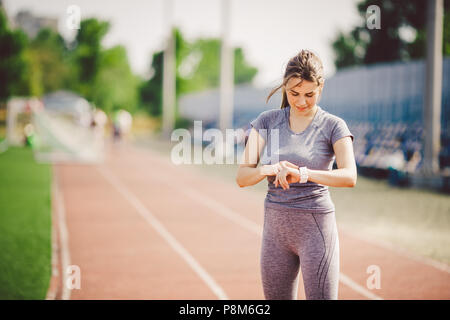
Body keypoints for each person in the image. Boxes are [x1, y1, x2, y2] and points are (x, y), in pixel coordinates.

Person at [236, 50, 356, 300]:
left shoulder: (334, 125)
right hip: (275, 233)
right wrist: (269, 169)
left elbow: (349, 176)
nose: (301, 101)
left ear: (320, 88)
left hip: (316, 231)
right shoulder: (267, 121)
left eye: (309, 94)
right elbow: (242, 177)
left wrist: (302, 173)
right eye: (294, 94)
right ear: (285, 87)